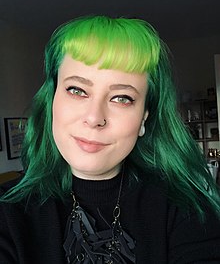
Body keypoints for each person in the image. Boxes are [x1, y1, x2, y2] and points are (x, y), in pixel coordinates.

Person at [0, 15, 220, 264]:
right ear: (52, 102)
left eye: (121, 98)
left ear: (143, 120)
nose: (95, 118)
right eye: (77, 90)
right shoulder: (8, 212)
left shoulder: (186, 209)